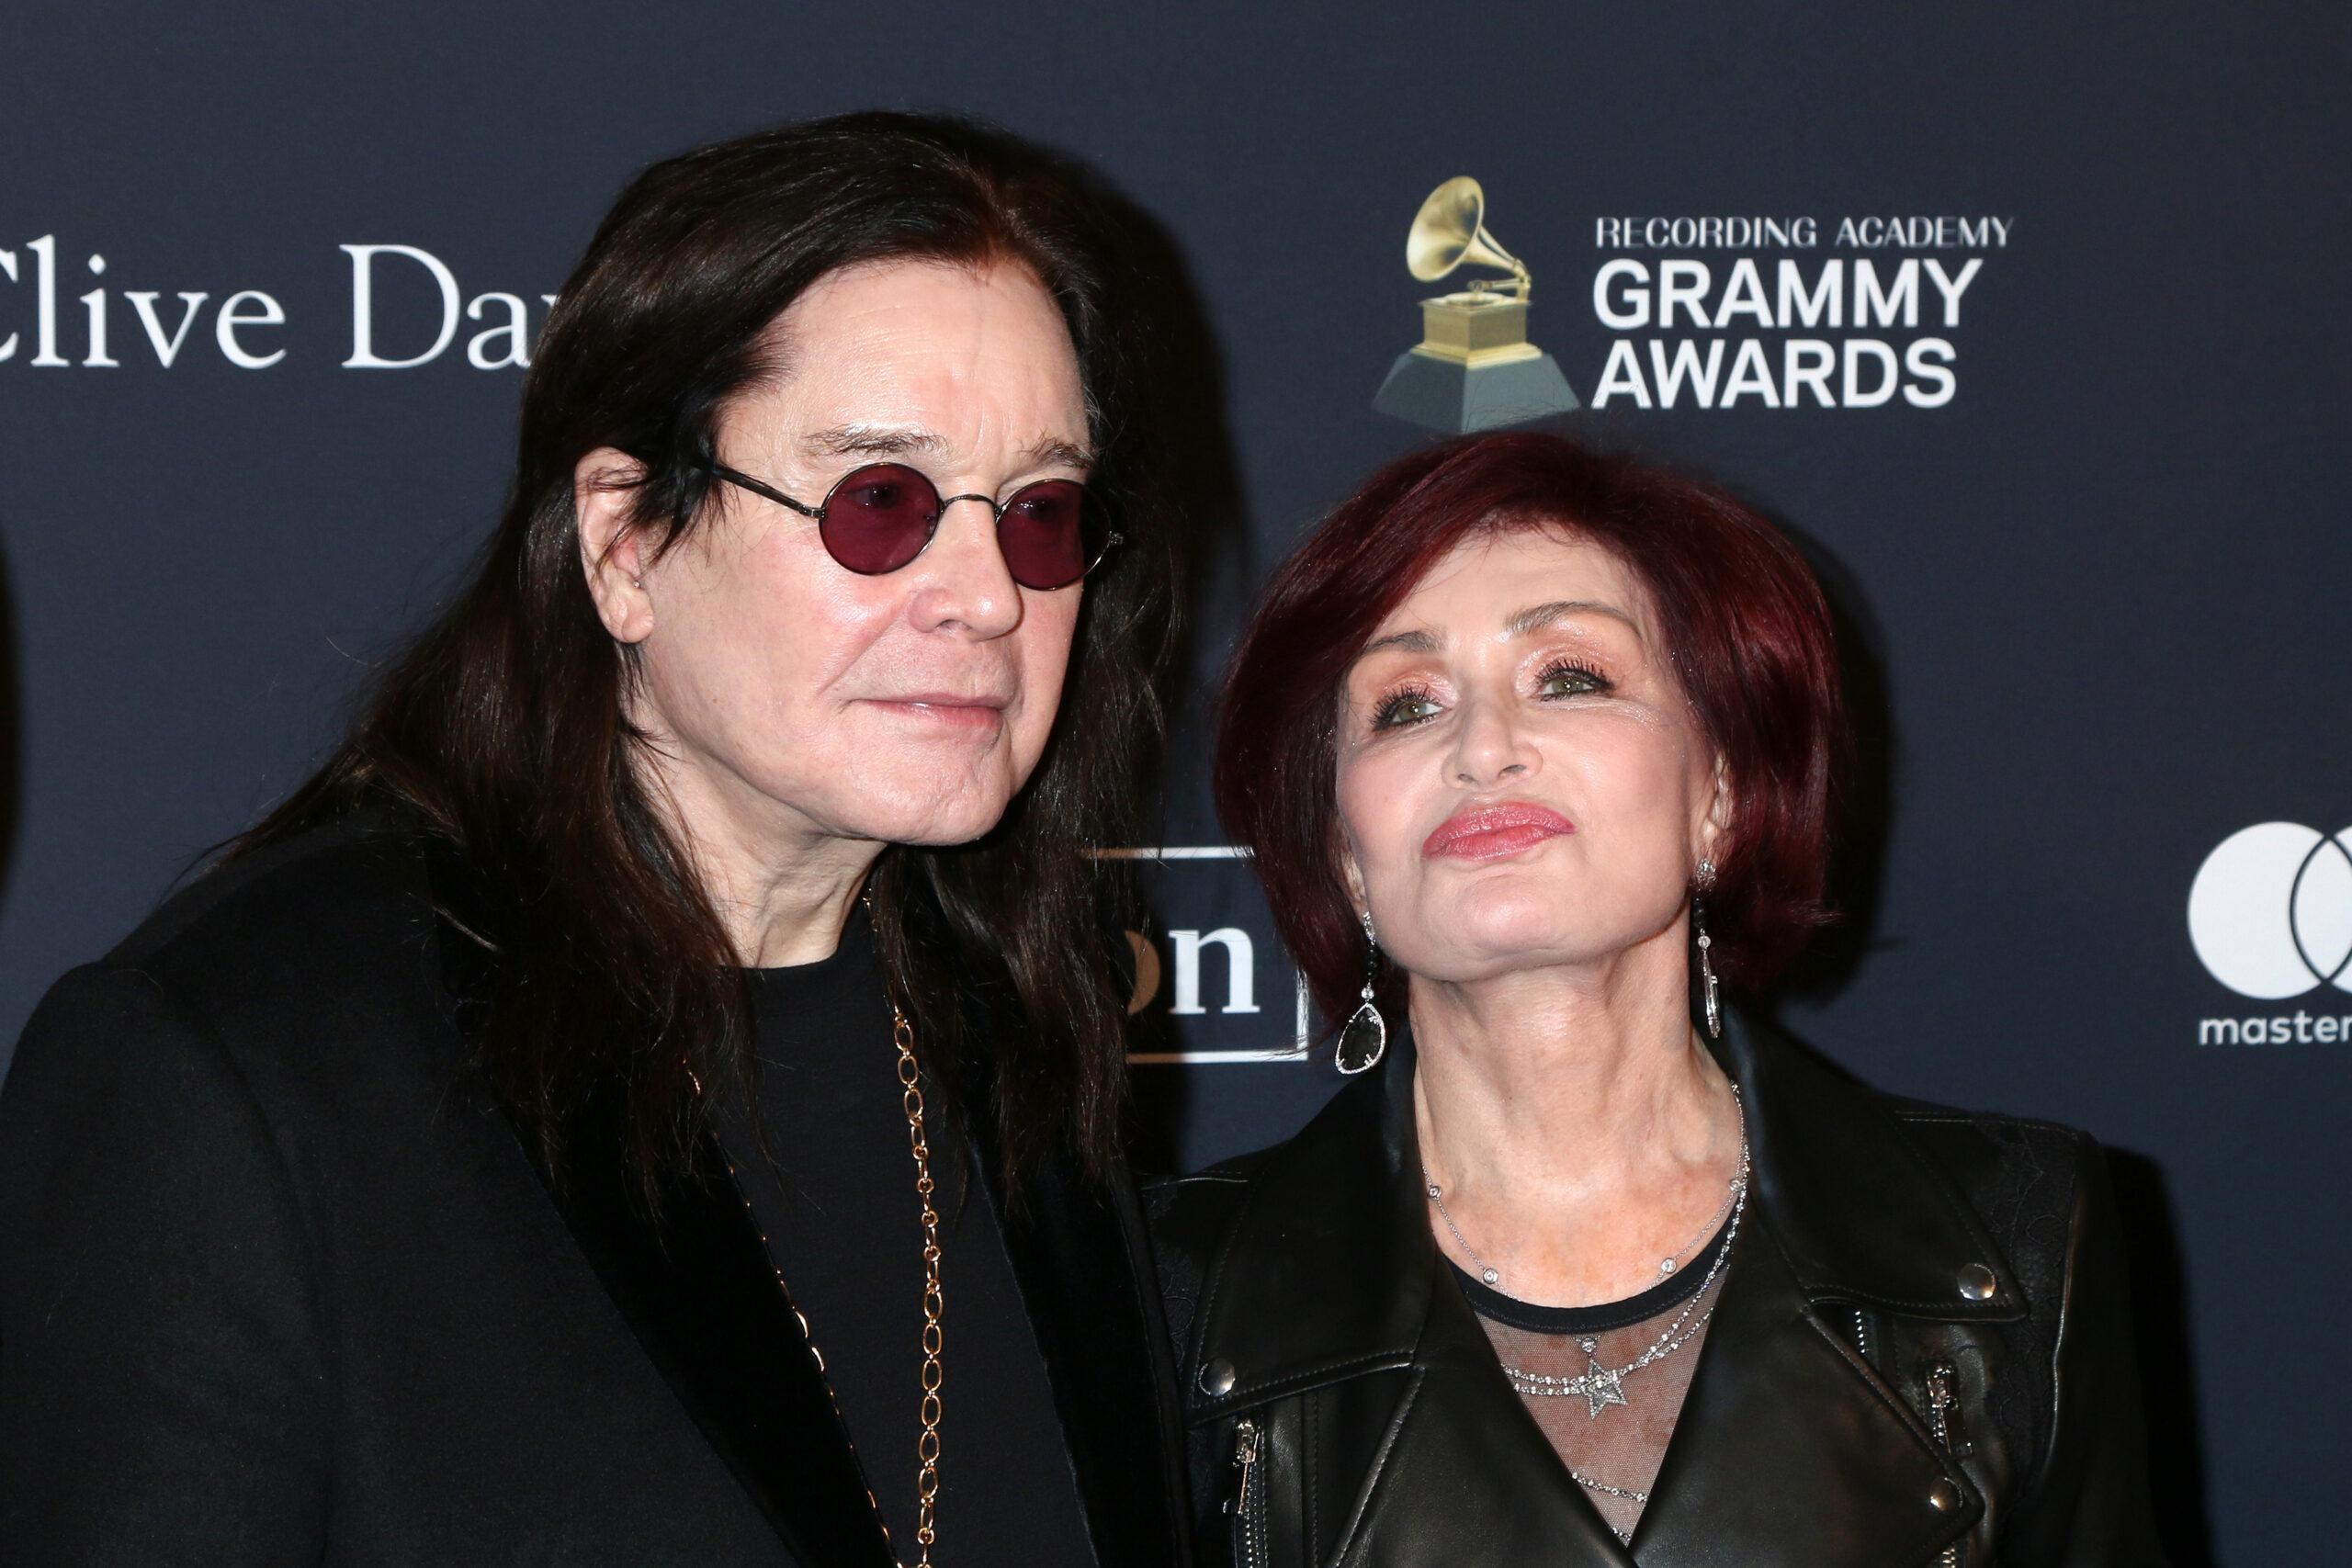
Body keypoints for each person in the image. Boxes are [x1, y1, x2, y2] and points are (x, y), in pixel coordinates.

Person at [0, 113, 1193, 1567]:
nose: (989, 595)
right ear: (625, 542)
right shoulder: (243, 1067)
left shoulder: (1018, 1040)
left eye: (1041, 514)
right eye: (881, 503)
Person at [1149, 432, 2165, 1566]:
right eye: (1405, 703)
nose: (1483, 747)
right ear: (1346, 851)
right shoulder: (1174, 1293)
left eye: (1569, 678)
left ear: (1719, 797)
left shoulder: (2015, 1240)